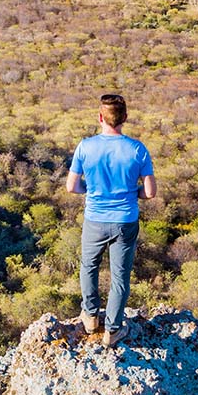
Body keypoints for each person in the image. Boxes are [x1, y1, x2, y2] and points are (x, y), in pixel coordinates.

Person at [65, 93, 157, 347]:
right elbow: (149, 192)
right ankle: (113, 330)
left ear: (100, 117)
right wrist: (130, 193)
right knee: (120, 276)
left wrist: (93, 191)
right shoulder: (137, 149)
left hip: (95, 217)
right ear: (124, 118)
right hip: (126, 220)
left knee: (89, 266)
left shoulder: (86, 146)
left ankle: (91, 316)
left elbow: (72, 186)